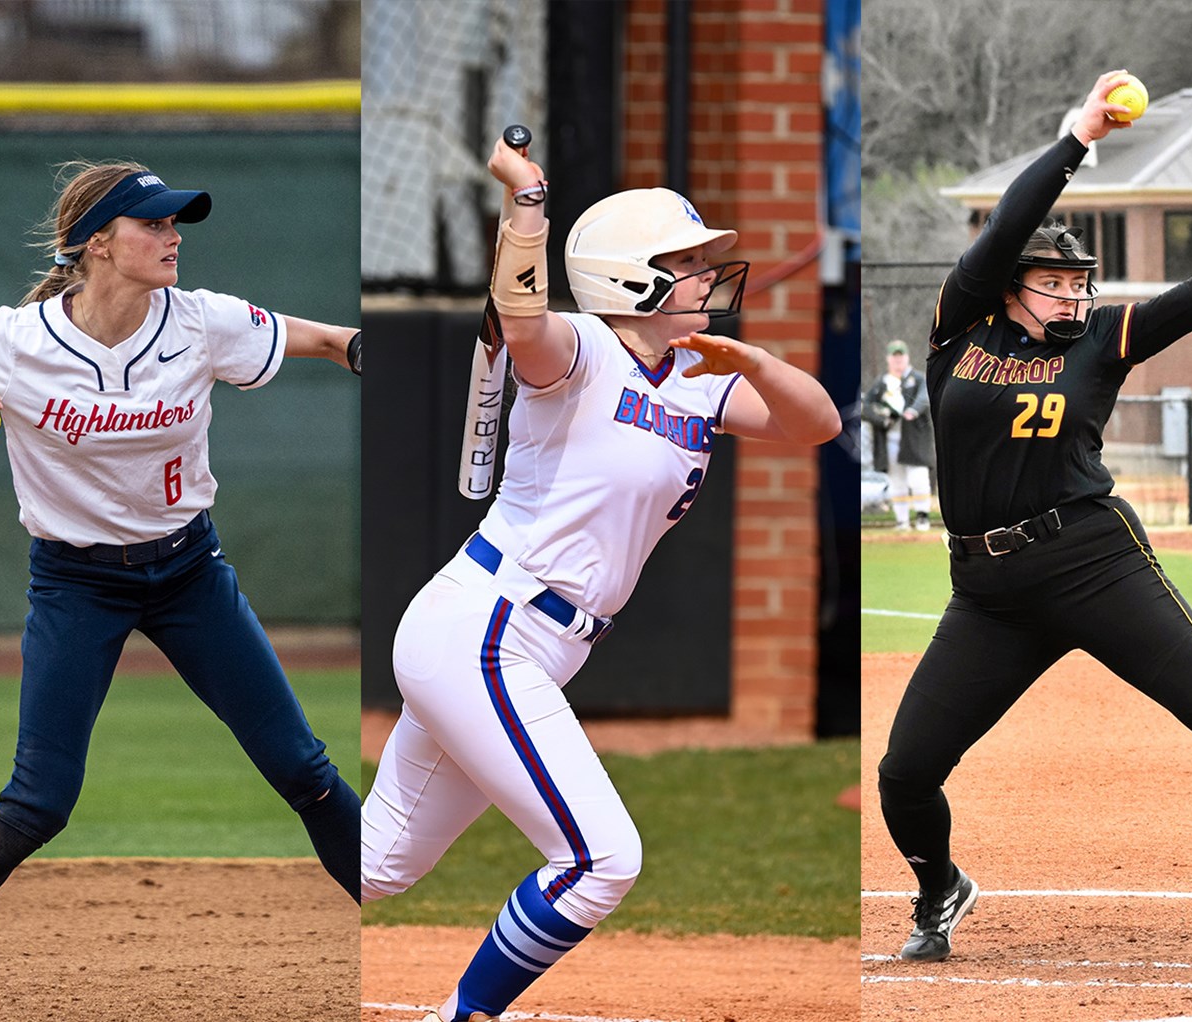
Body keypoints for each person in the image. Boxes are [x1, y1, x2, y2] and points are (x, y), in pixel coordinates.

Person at [873, 70, 1192, 965]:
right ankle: (940, 889)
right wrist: (1078, 139)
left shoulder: (1103, 341)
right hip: (986, 593)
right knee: (904, 772)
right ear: (1010, 286)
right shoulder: (957, 332)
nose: (1073, 295)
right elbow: (1009, 224)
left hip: (1091, 561)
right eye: (1055, 282)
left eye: (1080, 282)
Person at [0, 161, 363, 1022]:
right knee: (37, 803)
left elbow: (325, 339)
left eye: (177, 224)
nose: (174, 236)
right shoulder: (13, 340)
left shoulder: (201, 322)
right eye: (154, 223)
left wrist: (372, 347)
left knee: (305, 771)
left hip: (188, 574)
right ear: (99, 243)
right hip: (75, 584)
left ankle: (397, 934)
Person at [357, 131, 841, 1022]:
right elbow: (523, 323)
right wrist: (526, 205)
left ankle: (236, 921)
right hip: (488, 627)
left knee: (376, 863)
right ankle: (465, 1017)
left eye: (703, 262)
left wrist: (759, 362)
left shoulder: (700, 375)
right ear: (630, 277)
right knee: (600, 859)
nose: (707, 277)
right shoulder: (578, 350)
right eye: (687, 263)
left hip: (534, 645)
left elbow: (815, 426)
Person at [864, 339, 935, 530]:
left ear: (907, 357)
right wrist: (883, 418)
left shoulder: (917, 378)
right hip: (890, 441)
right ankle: (902, 521)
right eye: (894, 357)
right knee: (897, 483)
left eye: (900, 356)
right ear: (888, 359)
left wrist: (912, 410)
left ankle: (922, 517)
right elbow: (867, 406)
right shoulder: (882, 383)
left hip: (914, 440)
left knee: (918, 479)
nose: (898, 361)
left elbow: (925, 396)